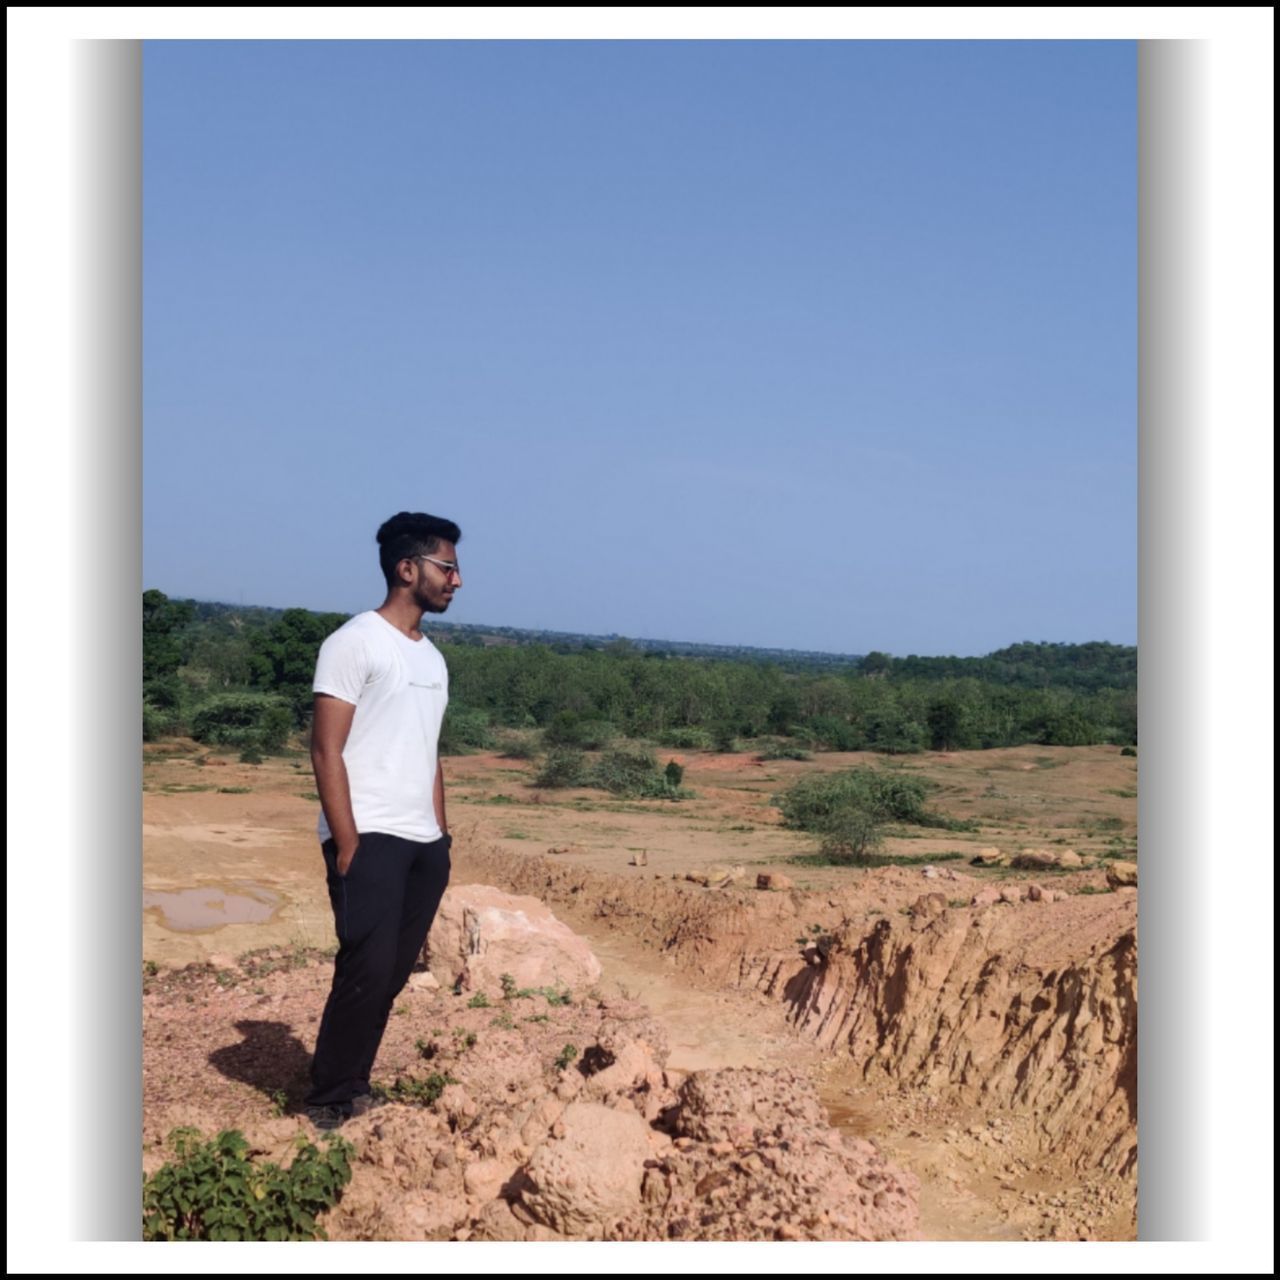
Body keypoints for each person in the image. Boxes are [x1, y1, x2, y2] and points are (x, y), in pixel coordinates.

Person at [304, 510, 463, 1130]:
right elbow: (326, 749)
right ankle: (328, 1097)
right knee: (365, 969)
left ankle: (355, 1081)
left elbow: (429, 752)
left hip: (423, 841)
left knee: (392, 972)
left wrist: (441, 838)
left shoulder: (432, 658)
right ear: (407, 568)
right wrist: (347, 842)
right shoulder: (354, 642)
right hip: (369, 835)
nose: (457, 579)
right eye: (446, 567)